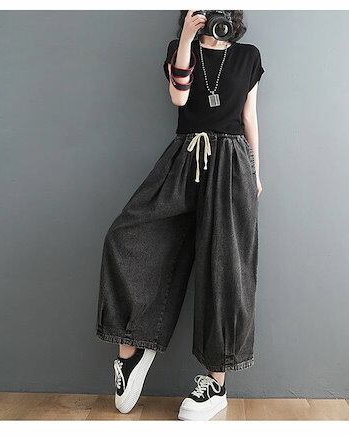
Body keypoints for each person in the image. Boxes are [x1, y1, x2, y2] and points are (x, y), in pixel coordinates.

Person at [95, 9, 265, 421]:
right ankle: (132, 352)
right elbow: (179, 97)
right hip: (186, 155)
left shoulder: (248, 55)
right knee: (126, 237)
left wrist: (256, 171)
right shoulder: (179, 48)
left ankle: (216, 384)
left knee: (224, 268)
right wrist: (188, 39)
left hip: (231, 163)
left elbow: (249, 116)